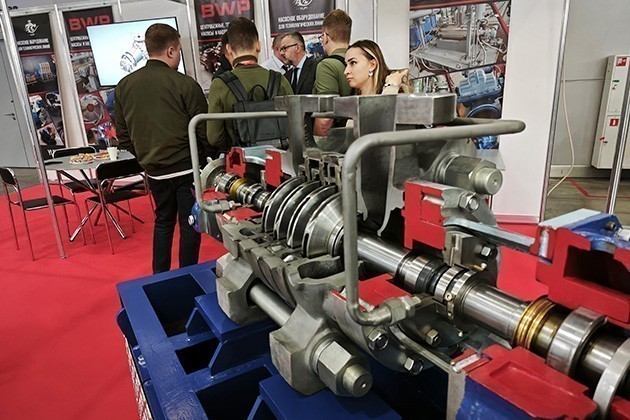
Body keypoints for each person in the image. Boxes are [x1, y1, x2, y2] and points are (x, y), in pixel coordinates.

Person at [115, 23, 209, 274]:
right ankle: (187, 276)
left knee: (163, 223)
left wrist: (146, 158)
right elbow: (204, 130)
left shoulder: (124, 86)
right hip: (187, 169)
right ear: (171, 50)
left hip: (154, 171)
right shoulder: (185, 84)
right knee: (190, 224)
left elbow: (123, 136)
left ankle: (159, 277)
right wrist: (203, 159)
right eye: (179, 51)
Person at [206, 18, 293, 153]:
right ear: (258, 46)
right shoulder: (279, 79)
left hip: (240, 161)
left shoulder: (220, 84)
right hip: (279, 158)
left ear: (228, 49)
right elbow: (295, 123)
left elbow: (214, 137)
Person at [312, 9, 353, 137]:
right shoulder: (363, 61)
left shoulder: (326, 65)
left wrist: (317, 143)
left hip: (336, 139)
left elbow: (325, 117)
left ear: (325, 37)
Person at [344, 39, 409, 95]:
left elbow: (385, 106)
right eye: (346, 64)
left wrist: (391, 87)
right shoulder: (352, 101)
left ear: (372, 65)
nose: (346, 71)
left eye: (353, 62)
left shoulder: (399, 96)